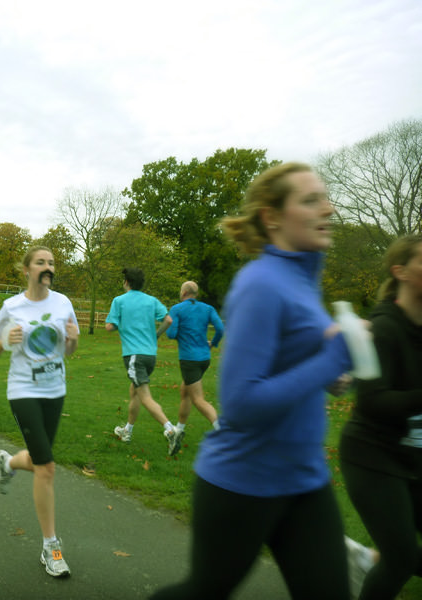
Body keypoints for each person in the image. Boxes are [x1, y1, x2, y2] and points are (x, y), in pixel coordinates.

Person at [150, 163, 354, 599]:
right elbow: (241, 403)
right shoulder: (261, 283)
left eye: (325, 197)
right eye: (311, 200)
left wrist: (334, 373)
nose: (329, 209)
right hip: (243, 481)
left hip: (304, 478)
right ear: (272, 216)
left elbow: (298, 367)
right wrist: (331, 358)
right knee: (204, 591)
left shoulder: (302, 282)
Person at [339, 234, 422, 599]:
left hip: (413, 454)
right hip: (371, 455)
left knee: (401, 556)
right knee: (401, 560)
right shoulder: (385, 328)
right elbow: (372, 400)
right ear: (400, 271)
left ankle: (372, 558)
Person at [0, 246, 80, 578]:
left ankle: (9, 462)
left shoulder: (63, 303)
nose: (48, 266)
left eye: (52, 262)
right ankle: (50, 547)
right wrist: (6, 340)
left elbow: (70, 349)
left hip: (55, 389)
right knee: (47, 468)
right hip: (23, 389)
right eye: (41, 262)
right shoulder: (11, 306)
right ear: (26, 269)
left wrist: (72, 340)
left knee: (41, 461)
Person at [104, 267, 177, 453]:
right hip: (150, 355)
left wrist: (117, 323)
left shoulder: (119, 301)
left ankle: (170, 429)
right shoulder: (152, 301)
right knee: (134, 392)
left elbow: (109, 327)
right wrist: (155, 336)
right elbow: (168, 320)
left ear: (126, 282)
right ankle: (127, 430)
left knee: (144, 395)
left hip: (133, 356)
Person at [160, 281, 224, 455]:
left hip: (189, 359)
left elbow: (172, 333)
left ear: (184, 293)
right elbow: (220, 328)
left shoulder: (177, 309)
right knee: (185, 391)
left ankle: (223, 432)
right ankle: (179, 430)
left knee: (198, 399)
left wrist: (181, 332)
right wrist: (213, 344)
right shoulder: (208, 309)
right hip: (205, 358)